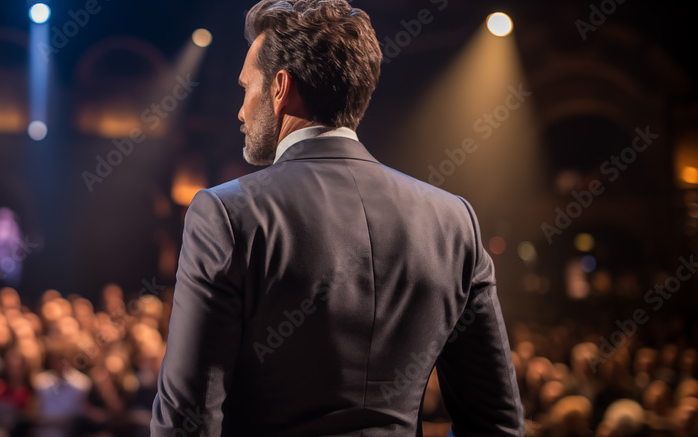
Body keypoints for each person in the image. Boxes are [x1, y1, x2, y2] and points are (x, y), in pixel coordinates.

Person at [150, 0, 524, 435]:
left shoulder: (226, 214)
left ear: (279, 87)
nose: (240, 110)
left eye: (246, 87)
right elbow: (495, 422)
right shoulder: (454, 220)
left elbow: (186, 421)